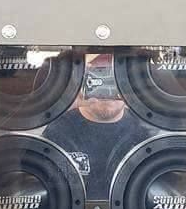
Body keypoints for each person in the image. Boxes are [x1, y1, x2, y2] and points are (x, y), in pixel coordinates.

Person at [44, 54, 156, 201]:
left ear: (129, 86)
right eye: (99, 78)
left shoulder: (145, 134)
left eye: (115, 81)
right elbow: (34, 182)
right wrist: (63, 105)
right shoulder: (57, 131)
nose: (107, 90)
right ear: (83, 82)